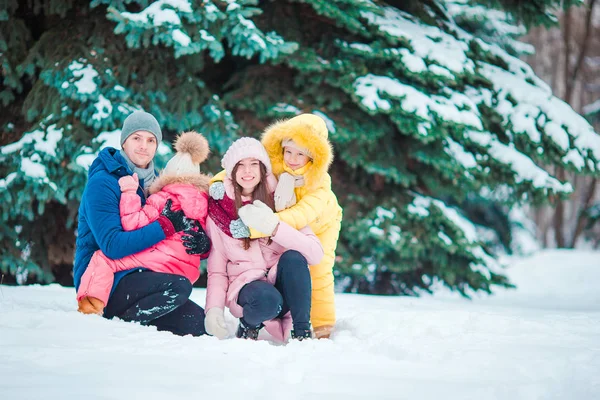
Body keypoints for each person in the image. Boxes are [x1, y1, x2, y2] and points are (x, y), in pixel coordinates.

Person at [73, 111, 209, 336]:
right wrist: (166, 227)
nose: (143, 146)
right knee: (179, 286)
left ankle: (137, 322)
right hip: (103, 281)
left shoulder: (157, 183)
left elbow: (168, 240)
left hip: (146, 274)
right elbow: (112, 245)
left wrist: (201, 245)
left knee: (198, 323)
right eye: (137, 138)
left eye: (150, 140)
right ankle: (121, 327)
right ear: (124, 141)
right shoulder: (103, 182)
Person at [203, 137, 324, 341]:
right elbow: (217, 270)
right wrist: (213, 309)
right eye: (240, 165)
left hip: (282, 285)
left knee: (294, 257)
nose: (247, 171)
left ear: (263, 169)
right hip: (248, 290)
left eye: (253, 164)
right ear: (231, 172)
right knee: (267, 298)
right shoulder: (218, 212)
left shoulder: (283, 200)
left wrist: (274, 227)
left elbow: (315, 254)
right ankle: (249, 325)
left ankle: (301, 332)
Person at [242, 113, 342, 339]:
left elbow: (301, 215)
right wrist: (219, 183)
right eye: (288, 151)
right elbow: (244, 171)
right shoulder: (276, 171)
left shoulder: (319, 183)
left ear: (313, 157)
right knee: (286, 265)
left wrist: (260, 226)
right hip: (282, 225)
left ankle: (323, 324)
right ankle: (279, 312)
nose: (293, 159)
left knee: (319, 269)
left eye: (300, 154)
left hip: (321, 224)